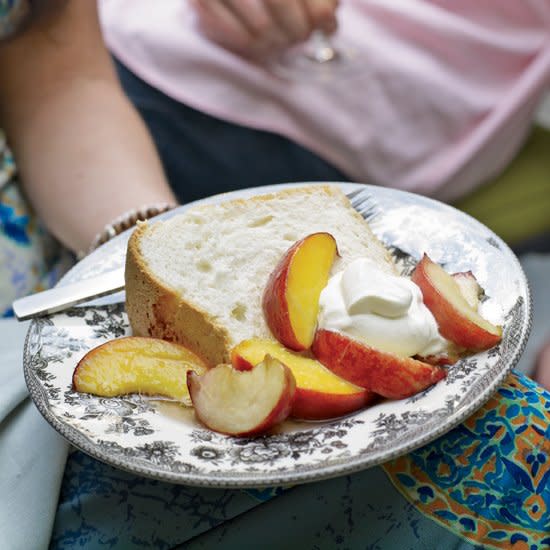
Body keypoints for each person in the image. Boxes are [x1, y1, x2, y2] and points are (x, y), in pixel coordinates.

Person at [1, 1, 549, 548]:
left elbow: (55, 71)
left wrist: (144, 252)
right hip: (49, 318)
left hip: (75, 258)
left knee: (523, 447)